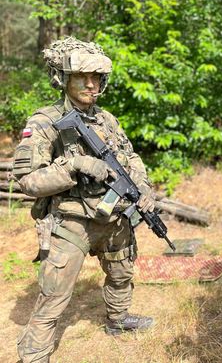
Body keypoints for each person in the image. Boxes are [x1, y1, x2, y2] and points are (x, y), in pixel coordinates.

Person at [13, 37, 156, 363]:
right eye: (82, 77)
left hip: (113, 217)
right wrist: (74, 165)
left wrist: (144, 188)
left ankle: (118, 320)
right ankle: (33, 354)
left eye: (97, 77)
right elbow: (27, 180)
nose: (91, 84)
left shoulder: (106, 120)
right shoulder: (45, 122)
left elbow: (131, 158)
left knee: (121, 273)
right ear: (64, 79)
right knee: (54, 294)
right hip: (72, 222)